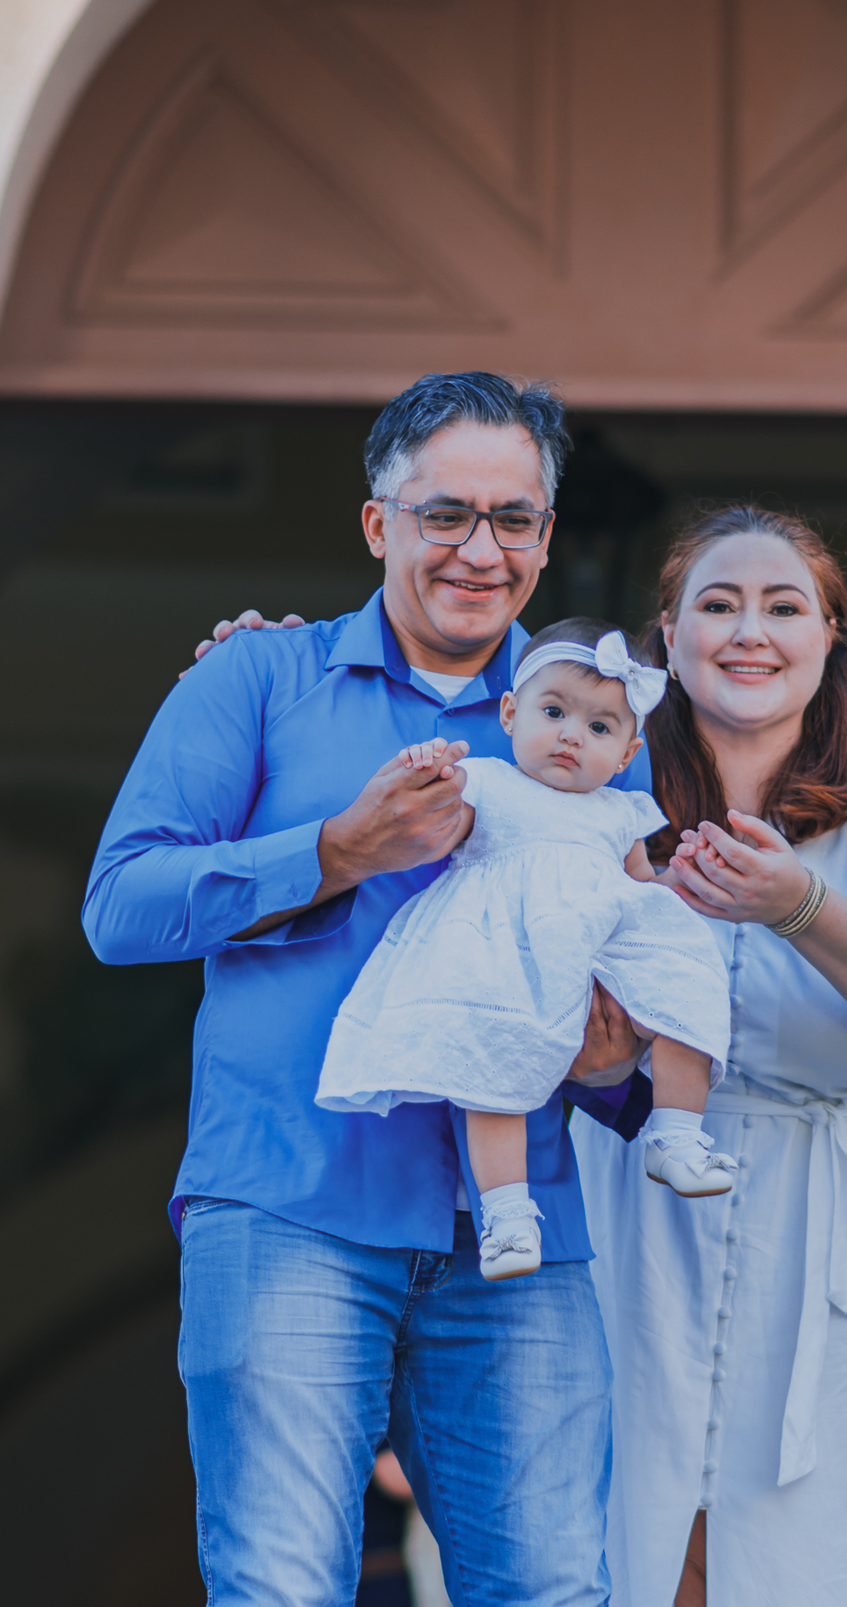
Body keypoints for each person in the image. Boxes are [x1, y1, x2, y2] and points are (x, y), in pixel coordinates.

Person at [82, 374, 654, 1607]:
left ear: (549, 538)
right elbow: (119, 908)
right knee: (282, 1588)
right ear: (376, 524)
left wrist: (618, 1072)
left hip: (517, 1235)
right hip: (292, 1204)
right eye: (445, 513)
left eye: (513, 519)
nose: (479, 549)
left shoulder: (596, 730)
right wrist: (335, 850)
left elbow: (633, 1006)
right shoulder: (253, 681)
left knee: (558, 1592)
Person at [569, 504, 847, 1607]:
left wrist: (798, 904)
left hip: (824, 1238)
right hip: (630, 1219)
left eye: (782, 606)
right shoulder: (592, 795)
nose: (748, 630)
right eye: (717, 604)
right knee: (623, 1549)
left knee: (823, 1556)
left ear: (828, 642)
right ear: (666, 637)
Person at [316, 618, 735, 1281]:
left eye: (600, 728)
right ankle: (508, 1217)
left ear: (626, 756)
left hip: (598, 941)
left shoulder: (620, 810)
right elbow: (442, 827)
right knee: (491, 1068)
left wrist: (683, 886)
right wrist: (427, 773)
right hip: (505, 951)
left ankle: (676, 1133)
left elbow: (641, 890)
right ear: (510, 714)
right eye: (553, 711)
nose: (572, 734)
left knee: (686, 983)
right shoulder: (486, 781)